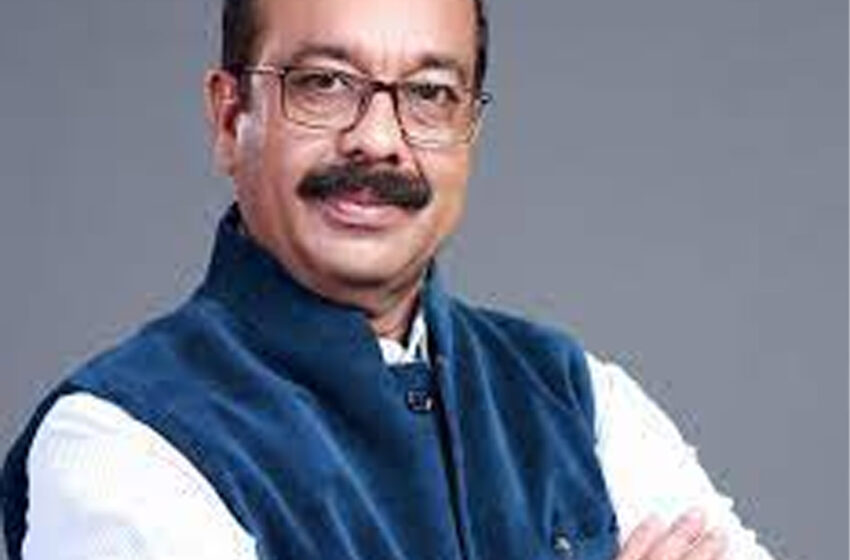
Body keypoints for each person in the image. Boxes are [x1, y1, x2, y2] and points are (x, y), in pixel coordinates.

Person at [1, 0, 778, 559]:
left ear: (469, 129)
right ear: (230, 117)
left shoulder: (579, 397)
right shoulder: (121, 440)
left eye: (430, 94)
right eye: (324, 83)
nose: (378, 139)